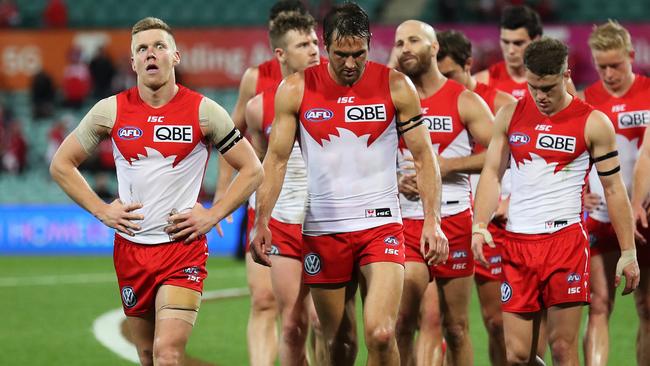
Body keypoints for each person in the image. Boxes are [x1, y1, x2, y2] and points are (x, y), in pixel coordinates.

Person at [49, 17, 263, 366]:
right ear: (133, 62)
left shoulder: (204, 112)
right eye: (142, 49)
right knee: (147, 355)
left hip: (182, 250)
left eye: (159, 46)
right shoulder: (110, 111)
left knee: (167, 354)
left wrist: (213, 213)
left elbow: (253, 169)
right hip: (131, 251)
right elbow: (61, 164)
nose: (151, 54)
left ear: (175, 56)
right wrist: (102, 210)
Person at [251, 3, 447, 365]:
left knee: (383, 333)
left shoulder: (396, 85)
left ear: (370, 43)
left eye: (359, 53)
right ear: (325, 46)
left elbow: (424, 156)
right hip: (324, 229)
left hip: (381, 225)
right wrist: (262, 220)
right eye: (342, 55)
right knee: (339, 343)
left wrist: (433, 220)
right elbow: (275, 161)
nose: (351, 64)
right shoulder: (295, 89)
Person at [472, 37, 640, 366]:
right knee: (518, 356)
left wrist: (628, 252)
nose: (541, 96)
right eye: (534, 86)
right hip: (518, 243)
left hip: (565, 245)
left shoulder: (593, 122)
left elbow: (614, 189)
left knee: (562, 348)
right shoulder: (509, 115)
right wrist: (479, 224)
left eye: (548, 87)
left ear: (566, 75)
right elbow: (491, 173)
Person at [214, 3, 314, 363]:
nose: (312, 49)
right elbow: (232, 137)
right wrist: (225, 195)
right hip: (271, 206)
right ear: (278, 43)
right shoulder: (256, 84)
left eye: (311, 41)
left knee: (315, 318)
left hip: (317, 210)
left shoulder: (326, 82)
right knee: (263, 300)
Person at [391, 21, 494, 366]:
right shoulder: (391, 101)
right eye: (399, 42)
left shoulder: (464, 100)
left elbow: (500, 154)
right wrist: (394, 179)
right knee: (402, 322)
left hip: (455, 221)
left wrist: (447, 166)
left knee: (456, 326)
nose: (405, 48)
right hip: (406, 222)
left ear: (434, 47)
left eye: (414, 40)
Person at [244, 11, 323, 365]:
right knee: (291, 323)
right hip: (283, 220)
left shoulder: (343, 95)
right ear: (280, 54)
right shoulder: (259, 105)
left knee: (326, 322)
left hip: (331, 219)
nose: (313, 50)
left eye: (314, 43)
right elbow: (258, 162)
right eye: (303, 44)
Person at [436, 28, 516, 366]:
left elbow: (521, 159)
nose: (444, 82)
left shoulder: (499, 105)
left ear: (468, 65)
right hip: (442, 221)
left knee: (497, 322)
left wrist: (511, 201)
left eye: (450, 74)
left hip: (493, 220)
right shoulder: (420, 100)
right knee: (433, 325)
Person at [580, 20, 650, 366]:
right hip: (600, 216)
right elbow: (570, 157)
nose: (609, 74)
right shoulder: (585, 101)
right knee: (598, 303)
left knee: (647, 308)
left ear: (632, 56)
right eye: (601, 66)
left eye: (616, 65)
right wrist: (578, 195)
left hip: (646, 216)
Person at [474, 5, 543, 100]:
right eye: (505, 42)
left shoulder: (556, 83)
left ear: (536, 41)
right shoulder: (481, 82)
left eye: (518, 43)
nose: (511, 51)